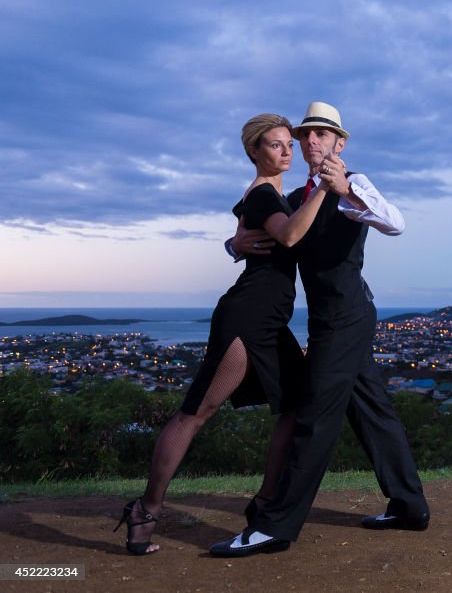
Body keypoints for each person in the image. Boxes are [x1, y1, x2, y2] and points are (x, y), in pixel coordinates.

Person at [209, 101, 428, 557]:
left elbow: (396, 223)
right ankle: (410, 506)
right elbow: (275, 238)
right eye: (305, 134)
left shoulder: (356, 185)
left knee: (313, 416)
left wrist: (344, 188)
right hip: (326, 321)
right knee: (371, 412)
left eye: (322, 134)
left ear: (339, 143)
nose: (311, 141)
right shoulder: (294, 201)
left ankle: (275, 526)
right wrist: (234, 243)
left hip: (349, 317)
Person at [114, 114, 328, 555]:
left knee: (296, 404)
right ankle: (145, 511)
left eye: (289, 143)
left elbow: (247, 230)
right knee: (197, 412)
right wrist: (325, 186)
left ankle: (266, 504)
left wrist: (234, 244)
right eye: (275, 145)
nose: (286, 151)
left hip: (270, 321)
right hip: (246, 319)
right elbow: (288, 236)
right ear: (253, 151)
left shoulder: (271, 196)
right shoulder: (264, 194)